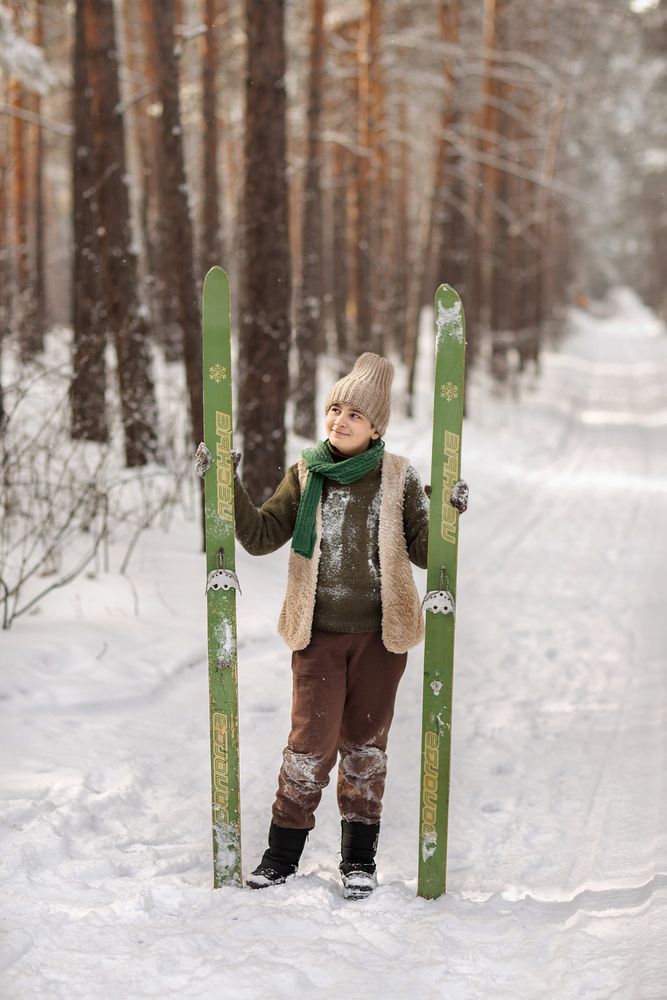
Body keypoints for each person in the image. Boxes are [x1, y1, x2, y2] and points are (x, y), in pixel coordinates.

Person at [233, 352, 466, 899]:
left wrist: (448, 515)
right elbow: (263, 535)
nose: (339, 420)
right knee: (309, 745)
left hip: (382, 638)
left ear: (376, 426)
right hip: (317, 635)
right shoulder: (307, 472)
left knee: (364, 747)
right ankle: (280, 856)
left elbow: (424, 551)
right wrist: (226, 485)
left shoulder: (399, 478)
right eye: (334, 409)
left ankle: (359, 860)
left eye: (354, 414)